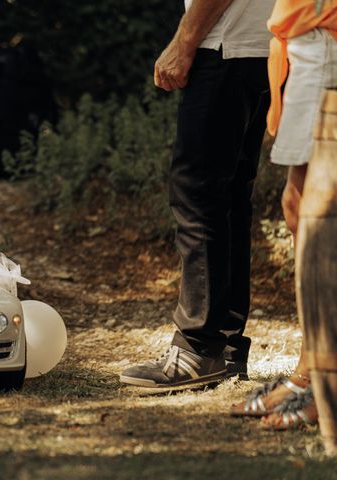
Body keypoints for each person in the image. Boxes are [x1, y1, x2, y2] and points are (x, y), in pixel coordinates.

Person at [119, 0, 275, 388]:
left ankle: (195, 349)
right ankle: (224, 347)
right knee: (231, 200)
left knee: (198, 194)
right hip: (262, 47)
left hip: (223, 46)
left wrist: (183, 42)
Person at [231, 0, 337, 432]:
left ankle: (326, 382)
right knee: (300, 208)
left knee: (323, 213)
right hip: (304, 36)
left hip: (326, 33)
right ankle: (310, 371)